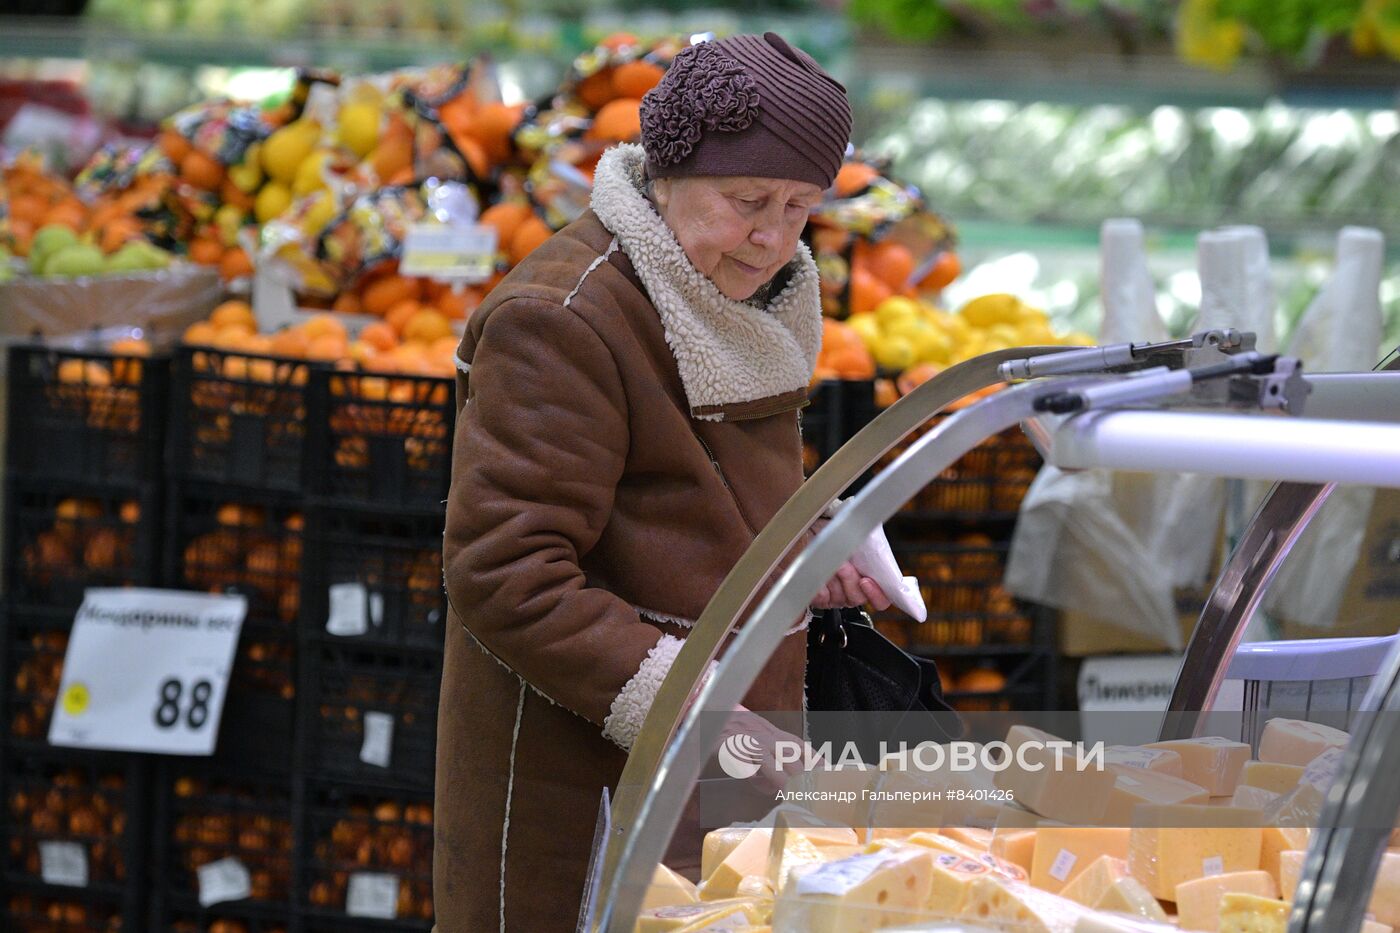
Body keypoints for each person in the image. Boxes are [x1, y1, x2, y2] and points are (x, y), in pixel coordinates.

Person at [434, 32, 890, 930]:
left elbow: (693, 494)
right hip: (588, 789)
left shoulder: (742, 291)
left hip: (725, 776)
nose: (773, 237)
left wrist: (804, 549)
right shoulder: (562, 320)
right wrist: (691, 705)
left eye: (801, 208)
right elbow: (503, 571)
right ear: (670, 170)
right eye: (749, 199)